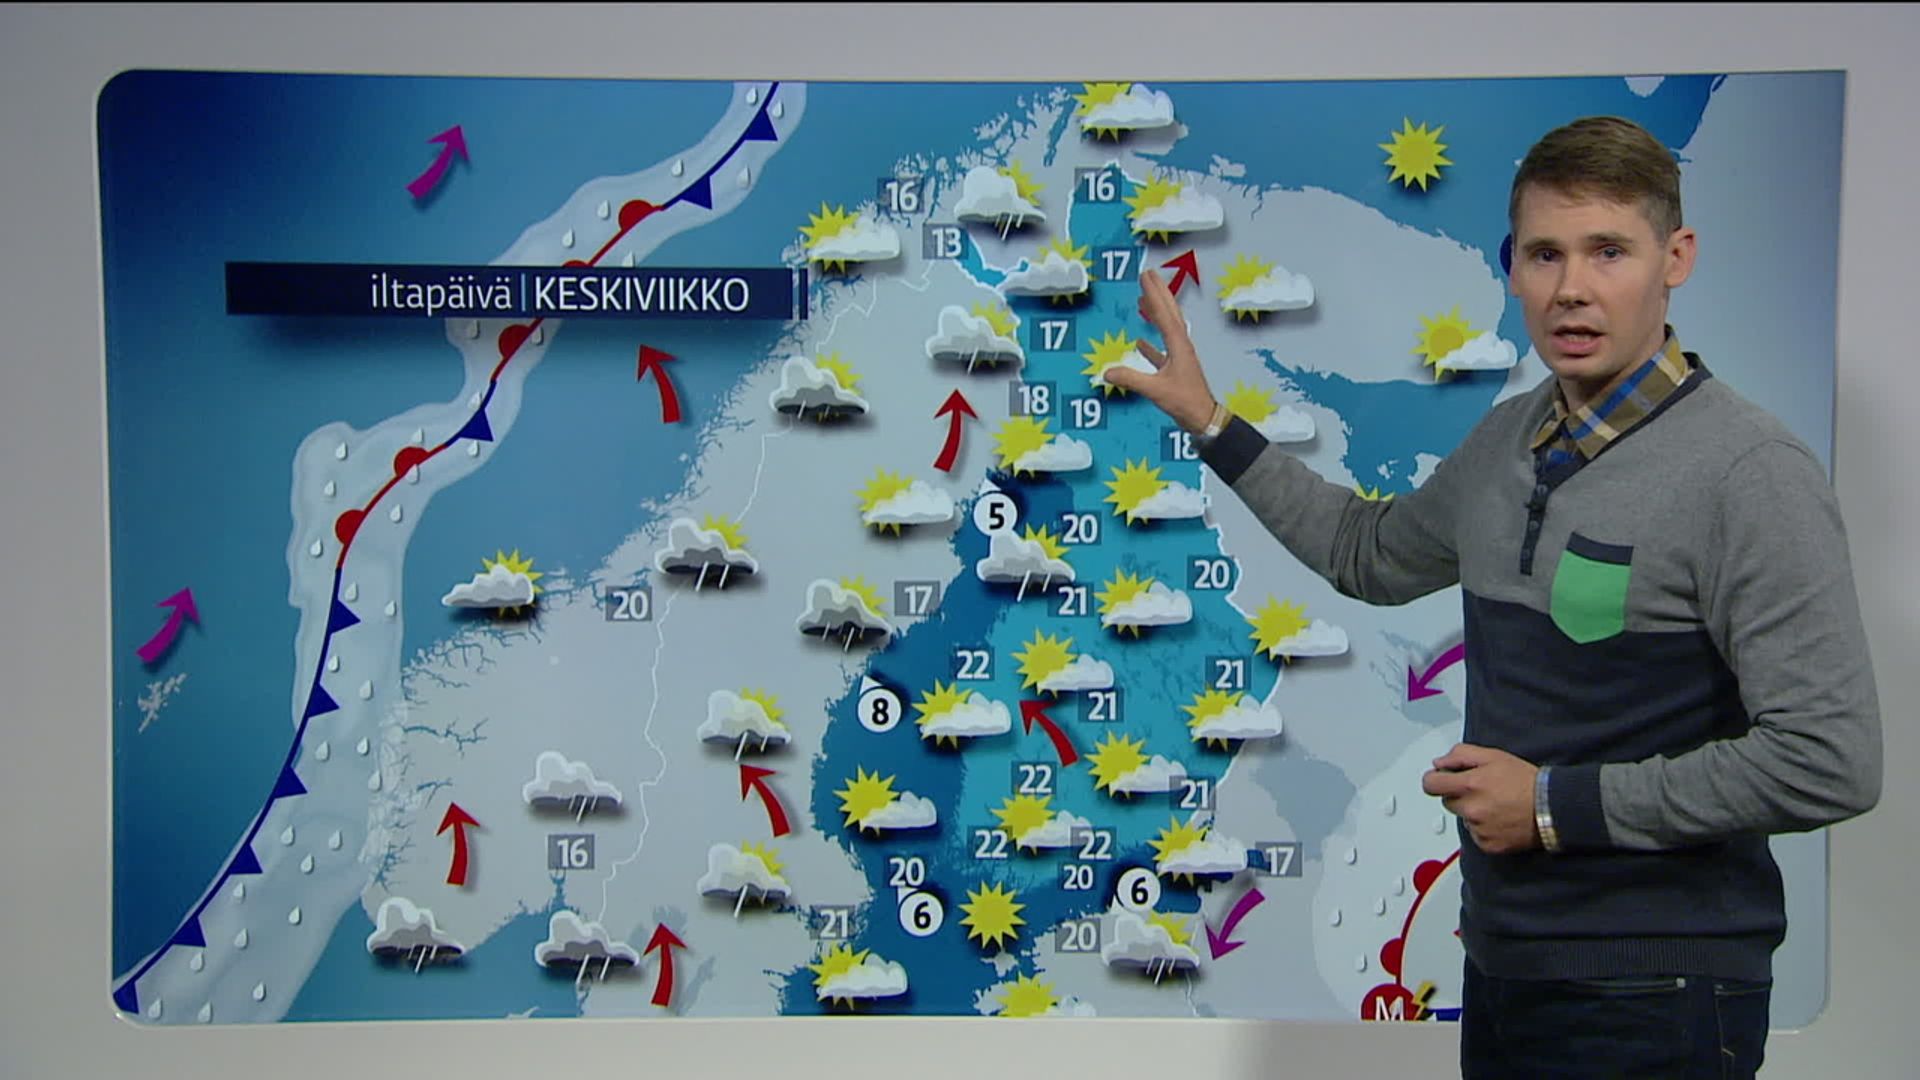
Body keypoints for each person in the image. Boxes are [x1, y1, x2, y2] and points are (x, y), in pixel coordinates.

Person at [1105, 115, 1882, 1078]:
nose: (1572, 288)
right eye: (1545, 254)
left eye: (1609, 252)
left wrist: (1553, 806)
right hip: (1509, 970)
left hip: (1659, 992)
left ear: (1675, 258)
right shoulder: (1508, 440)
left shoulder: (1748, 473)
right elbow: (1367, 554)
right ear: (1512, 268)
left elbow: (1829, 760)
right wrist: (1212, 422)